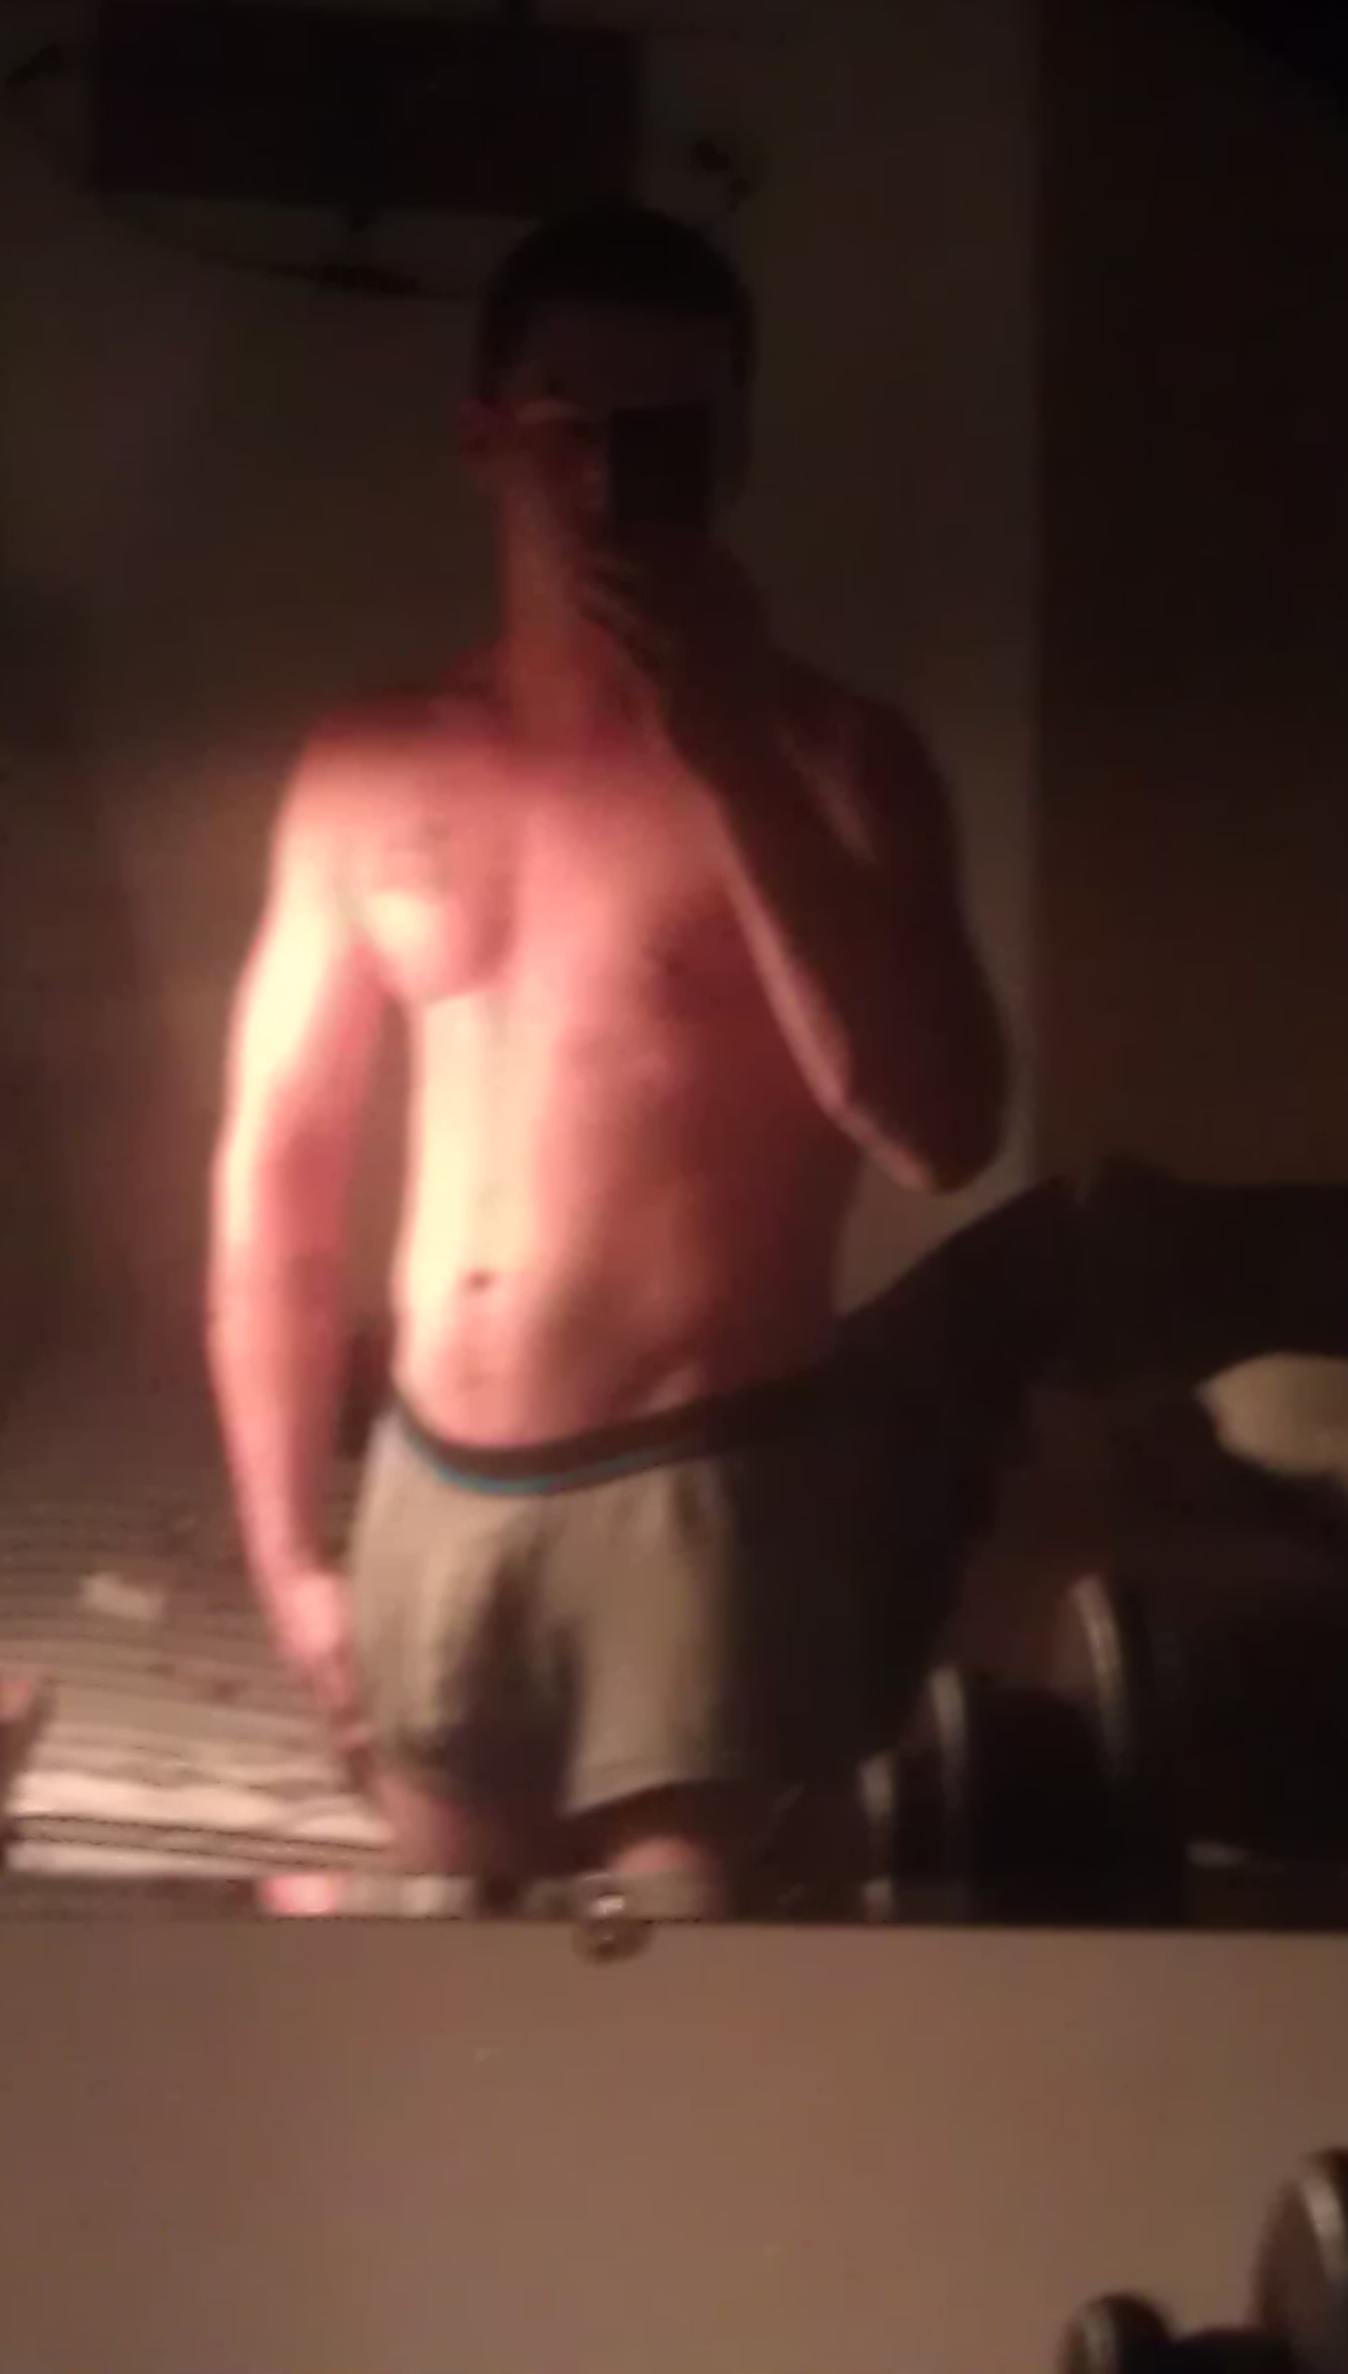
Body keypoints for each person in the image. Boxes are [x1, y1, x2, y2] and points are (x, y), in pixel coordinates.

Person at [207, 203, 1007, 1915]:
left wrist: (731, 753)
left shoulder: (838, 760)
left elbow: (941, 1130)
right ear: (485, 439)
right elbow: (276, 1177)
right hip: (439, 1490)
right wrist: (285, 1552)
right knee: (455, 1998)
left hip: (708, 1487)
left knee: (710, 2017)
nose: (611, 479)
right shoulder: (370, 765)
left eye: (671, 435)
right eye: (575, 427)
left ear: (734, 455)